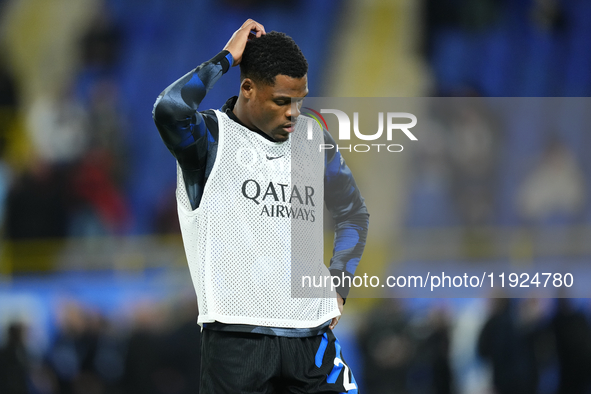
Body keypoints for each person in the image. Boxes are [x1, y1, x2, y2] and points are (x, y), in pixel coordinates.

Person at [153, 19, 369, 394]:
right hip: (237, 339)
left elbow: (353, 214)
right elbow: (169, 109)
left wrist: (339, 282)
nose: (294, 113)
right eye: (282, 101)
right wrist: (225, 58)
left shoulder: (313, 138)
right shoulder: (208, 139)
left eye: (299, 100)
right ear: (248, 88)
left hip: (312, 339)